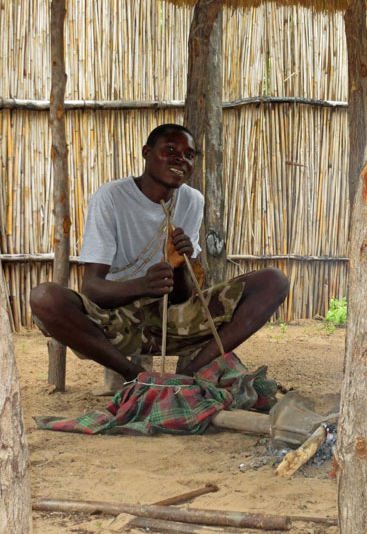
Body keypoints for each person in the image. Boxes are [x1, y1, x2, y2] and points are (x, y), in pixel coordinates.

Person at [31, 124, 289, 382]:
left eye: (189, 155)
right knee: (45, 298)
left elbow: (181, 298)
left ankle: (188, 376)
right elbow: (92, 289)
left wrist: (179, 264)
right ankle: (137, 376)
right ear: (146, 152)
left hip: (172, 321)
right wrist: (144, 285)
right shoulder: (111, 197)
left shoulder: (192, 200)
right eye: (170, 150)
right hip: (116, 319)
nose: (181, 158)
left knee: (273, 280)